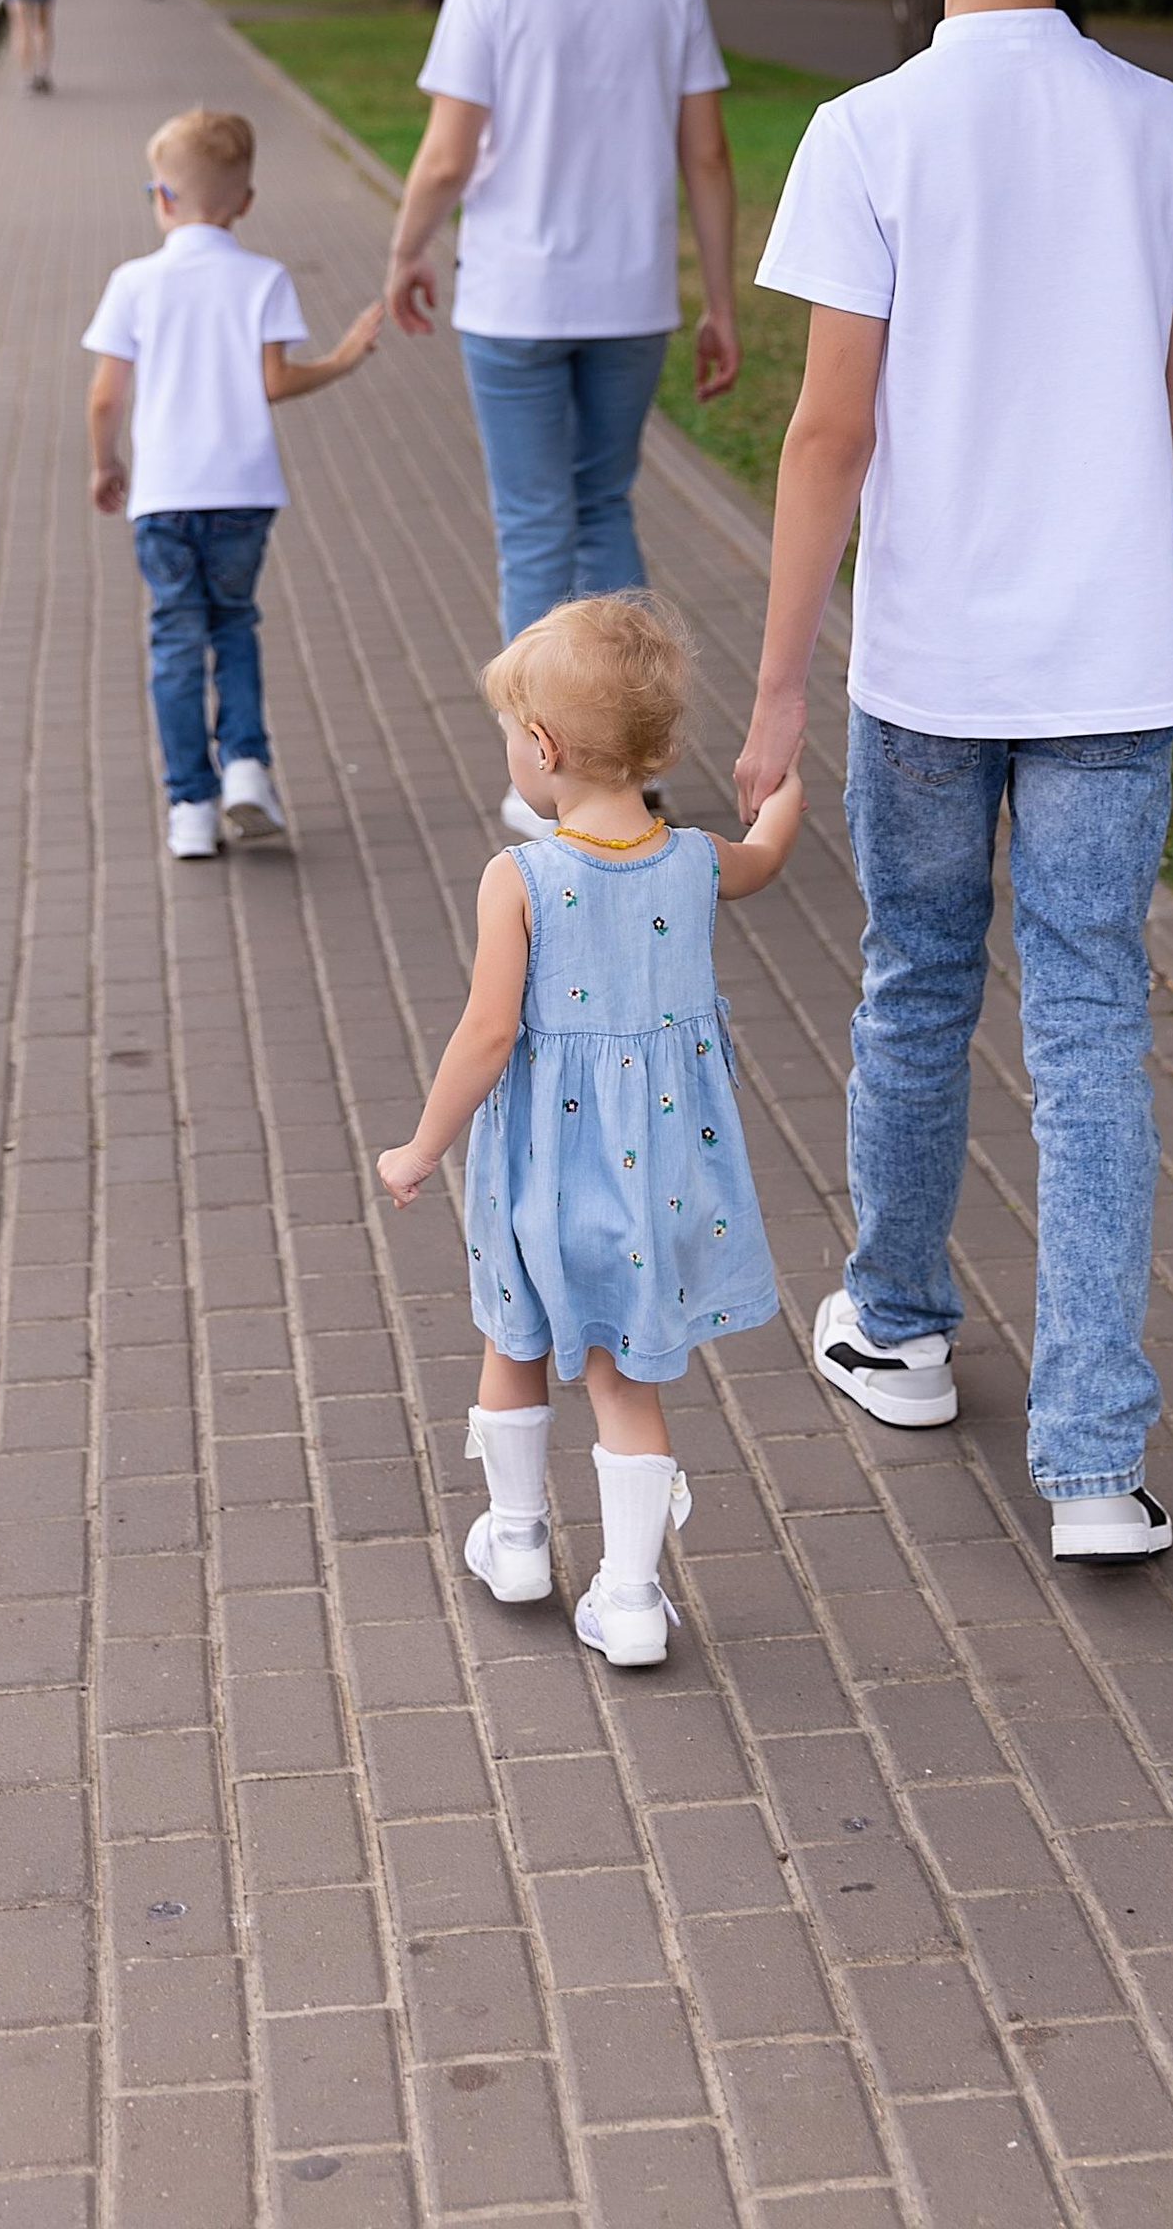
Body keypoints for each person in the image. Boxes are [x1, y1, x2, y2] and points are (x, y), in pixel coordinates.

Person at [735, 0, 1173, 1566]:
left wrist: (784, 682)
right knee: (1095, 1029)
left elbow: (825, 436)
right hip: (1115, 667)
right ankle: (1097, 1465)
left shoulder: (867, 135)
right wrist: (1152, 602)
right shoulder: (1160, 125)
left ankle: (904, 1327)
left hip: (928, 664)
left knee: (917, 986)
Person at [377, 596, 800, 1667]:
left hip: (535, 1179)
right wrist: (781, 795)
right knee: (624, 1379)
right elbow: (764, 859)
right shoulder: (698, 863)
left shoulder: (519, 878)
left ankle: (517, 1542)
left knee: (512, 1342)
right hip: (654, 1185)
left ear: (546, 748)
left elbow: (484, 1035)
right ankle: (631, 1599)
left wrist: (420, 1148)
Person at [383, 0, 740, 837]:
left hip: (515, 299)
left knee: (535, 528)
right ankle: (632, 764)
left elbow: (448, 154)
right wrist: (717, 300)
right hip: (630, 300)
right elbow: (707, 155)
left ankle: (543, 783)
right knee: (604, 511)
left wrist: (404, 250)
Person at [83, 108, 383, 857]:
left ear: (160, 196)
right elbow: (275, 382)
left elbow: (104, 397)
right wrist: (344, 357)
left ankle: (190, 804)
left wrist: (106, 462)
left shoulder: (133, 282)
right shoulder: (264, 277)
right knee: (234, 624)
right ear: (245, 202)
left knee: (176, 640)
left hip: (165, 496)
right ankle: (247, 765)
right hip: (244, 493)